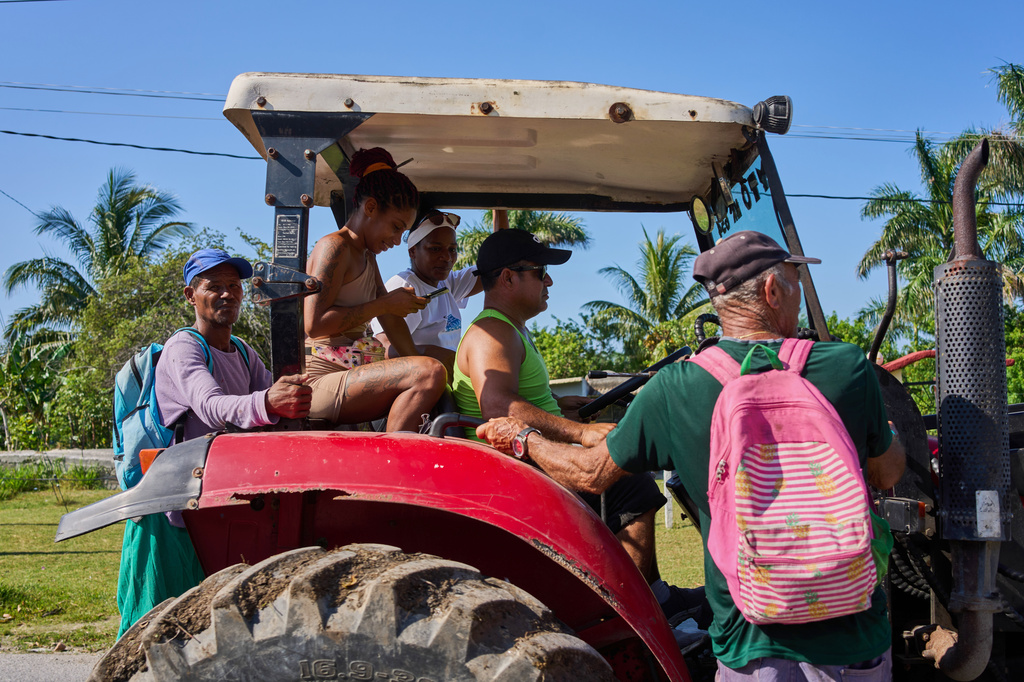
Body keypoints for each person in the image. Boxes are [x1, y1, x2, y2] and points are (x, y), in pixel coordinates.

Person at [476, 231, 906, 680]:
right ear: (772, 290)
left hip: (750, 643)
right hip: (854, 634)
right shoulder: (846, 366)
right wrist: (889, 435)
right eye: (796, 282)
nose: (798, 294)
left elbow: (590, 473)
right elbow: (887, 471)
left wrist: (524, 437)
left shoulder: (674, 387)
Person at [452, 229, 702, 624]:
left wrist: (564, 410)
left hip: (524, 457)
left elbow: (520, 399)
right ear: (508, 277)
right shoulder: (493, 331)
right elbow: (497, 405)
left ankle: (655, 597)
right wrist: (580, 433)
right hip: (512, 470)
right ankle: (636, 617)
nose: (549, 280)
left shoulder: (511, 329)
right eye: (540, 271)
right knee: (630, 483)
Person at [117, 248, 313, 637]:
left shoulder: (241, 352)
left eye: (234, 285)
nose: (227, 294)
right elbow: (211, 406)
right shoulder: (184, 347)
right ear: (191, 295)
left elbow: (276, 404)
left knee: (202, 631)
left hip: (211, 507)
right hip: (169, 509)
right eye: (214, 286)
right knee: (153, 631)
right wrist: (269, 401)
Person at [304, 147, 447, 431]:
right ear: (370, 208)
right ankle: (392, 462)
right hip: (319, 382)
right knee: (429, 373)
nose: (396, 240)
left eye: (402, 232)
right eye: (395, 227)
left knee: (435, 370)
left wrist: (427, 368)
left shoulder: (366, 255)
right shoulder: (334, 247)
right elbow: (314, 325)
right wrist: (383, 306)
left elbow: (390, 319)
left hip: (351, 372)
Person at [370, 209, 504, 379]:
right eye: (435, 249)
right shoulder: (406, 286)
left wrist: (499, 208)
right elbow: (382, 348)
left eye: (452, 249)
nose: (447, 257)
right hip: (419, 381)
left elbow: (499, 263)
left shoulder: (447, 284)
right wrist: (430, 353)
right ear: (412, 251)